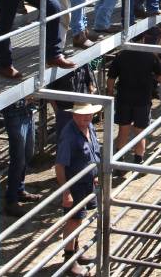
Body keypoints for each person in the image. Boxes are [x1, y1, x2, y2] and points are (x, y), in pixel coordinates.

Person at [55, 102, 102, 273]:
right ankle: (69, 260)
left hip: (87, 182)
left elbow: (93, 153)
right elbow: (60, 166)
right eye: (82, 114)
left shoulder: (89, 126)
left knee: (79, 219)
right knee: (73, 220)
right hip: (74, 184)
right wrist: (66, 192)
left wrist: (95, 174)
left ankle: (75, 252)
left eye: (88, 114)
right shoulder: (69, 135)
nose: (87, 117)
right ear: (74, 115)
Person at [107, 47, 161, 167]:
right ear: (143, 40)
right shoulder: (150, 56)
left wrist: (110, 93)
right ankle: (138, 161)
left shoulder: (121, 56)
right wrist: (151, 80)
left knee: (123, 130)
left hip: (124, 99)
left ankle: (119, 162)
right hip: (143, 100)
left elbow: (111, 78)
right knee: (140, 132)